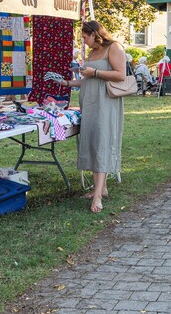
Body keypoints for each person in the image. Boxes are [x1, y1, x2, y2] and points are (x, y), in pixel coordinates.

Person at [58, 20, 126, 213]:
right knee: (93, 142)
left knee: (102, 142)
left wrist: (94, 72)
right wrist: (68, 83)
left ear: (95, 34)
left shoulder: (114, 48)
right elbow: (87, 79)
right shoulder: (92, 52)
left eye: (85, 36)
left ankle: (97, 196)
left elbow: (120, 75)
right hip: (89, 103)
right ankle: (101, 188)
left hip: (105, 103)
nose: (84, 40)